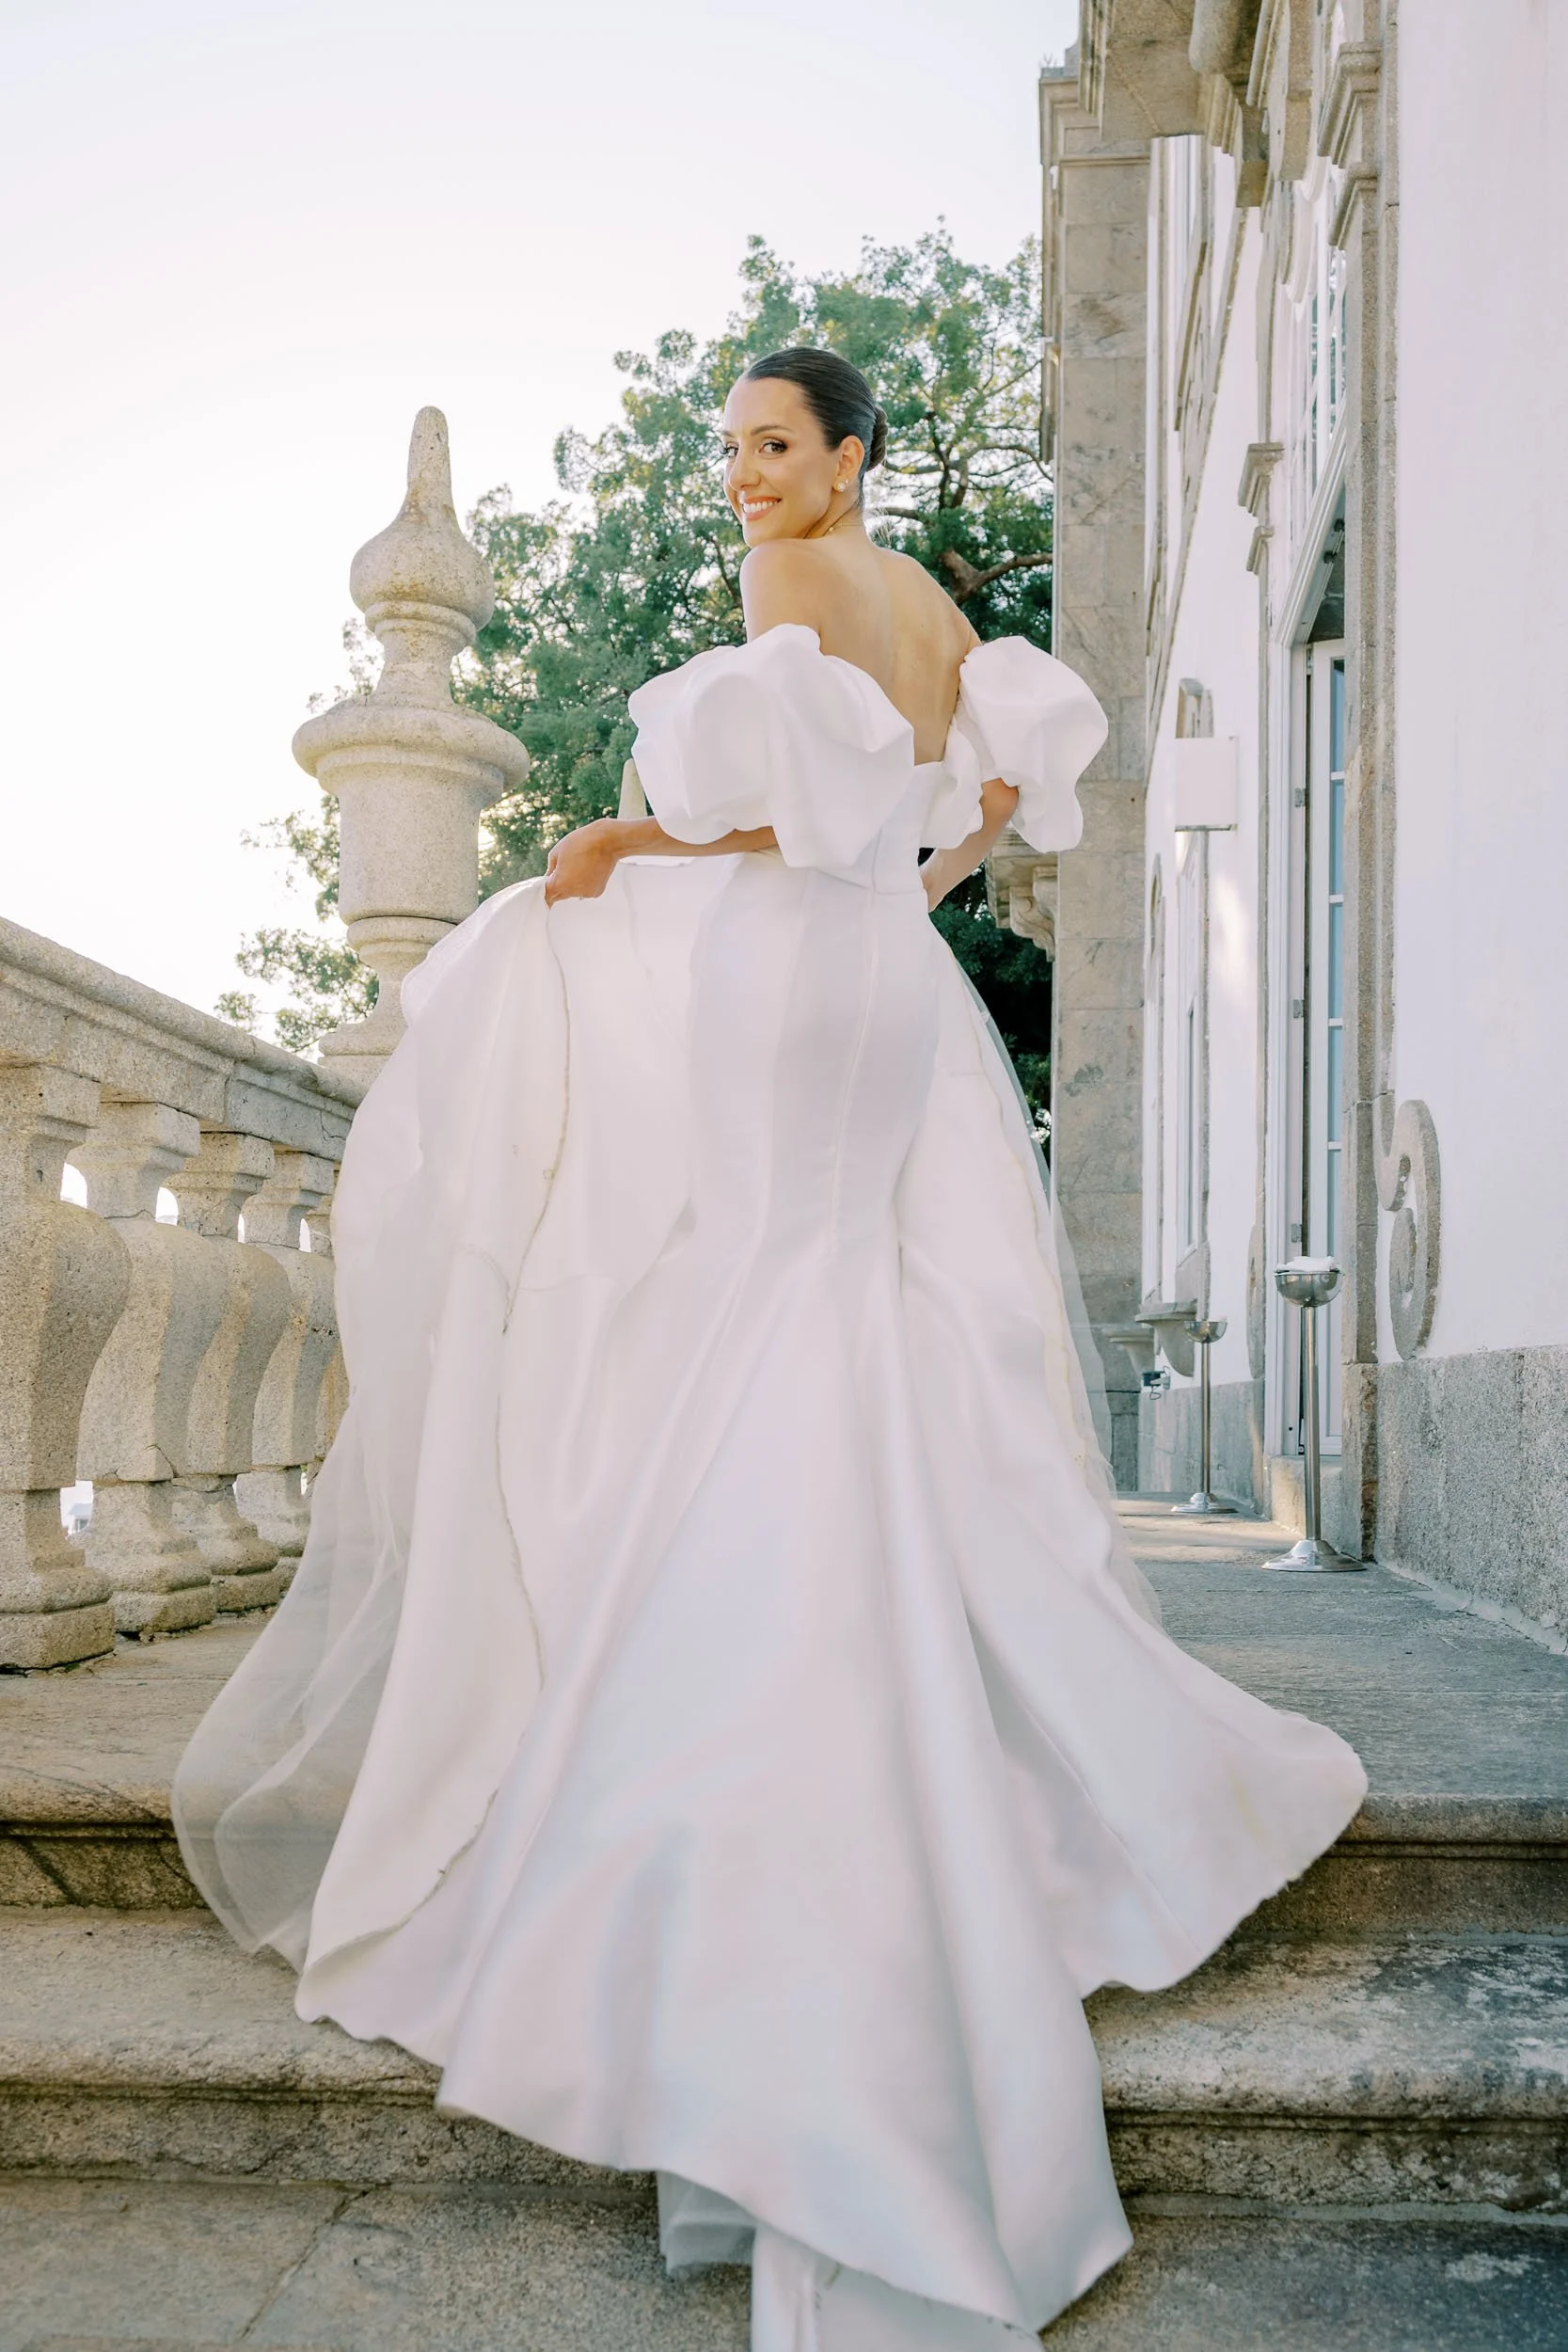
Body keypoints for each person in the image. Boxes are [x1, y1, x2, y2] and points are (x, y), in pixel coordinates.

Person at [174, 348, 1366, 2350]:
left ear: (847, 455)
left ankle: (756, 1705)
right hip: (886, 986)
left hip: (802, 970)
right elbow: (975, 810)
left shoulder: (795, 594)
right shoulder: (932, 605)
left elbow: (774, 835)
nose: (742, 482)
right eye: (727, 451)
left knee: (736, 1283)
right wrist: (887, 896)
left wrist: (616, 855)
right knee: (825, 1298)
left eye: (773, 446)